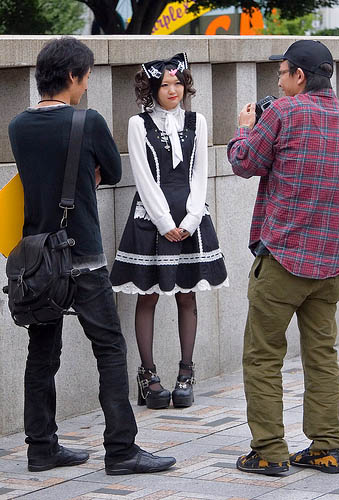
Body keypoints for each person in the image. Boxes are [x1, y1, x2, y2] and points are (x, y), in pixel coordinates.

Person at [8, 37, 176, 476]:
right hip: (82, 257)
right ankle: (121, 451)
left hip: (39, 261)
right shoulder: (89, 121)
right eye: (85, 77)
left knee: (41, 354)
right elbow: (114, 172)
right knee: (109, 350)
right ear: (71, 77)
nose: (86, 86)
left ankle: (41, 448)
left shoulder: (18, 126)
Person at [227, 40, 339, 475]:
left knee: (263, 356)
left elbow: (244, 162)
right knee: (322, 355)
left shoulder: (285, 113)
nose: (280, 79)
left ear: (299, 76)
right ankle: (326, 447)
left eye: (283, 72)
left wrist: (246, 127)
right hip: (332, 263)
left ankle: (269, 451)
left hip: (284, 259)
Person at [110, 53, 228, 410]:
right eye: (165, 85)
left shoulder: (197, 121)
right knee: (147, 294)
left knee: (187, 294)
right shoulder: (138, 124)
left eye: (178, 83)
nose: (173, 90)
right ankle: (148, 376)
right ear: (152, 89)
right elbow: (143, 178)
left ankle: (185, 374)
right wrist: (164, 222)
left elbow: (200, 173)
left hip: (190, 217)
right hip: (152, 217)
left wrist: (191, 220)